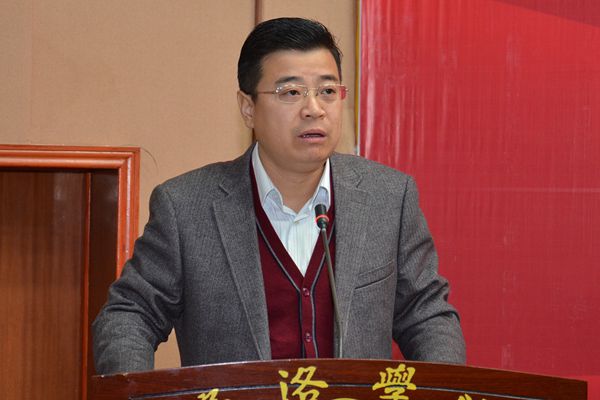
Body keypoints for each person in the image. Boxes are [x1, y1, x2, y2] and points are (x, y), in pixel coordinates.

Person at [93, 17, 465, 374]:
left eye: (327, 91)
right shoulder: (186, 208)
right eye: (291, 93)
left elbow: (426, 314)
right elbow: (130, 315)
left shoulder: (389, 198)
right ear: (248, 108)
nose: (314, 109)